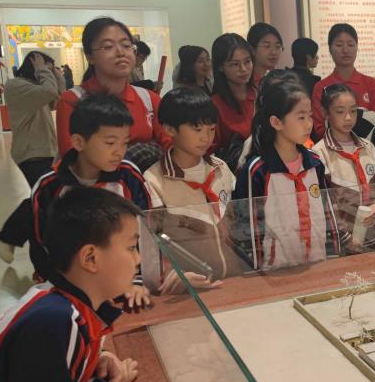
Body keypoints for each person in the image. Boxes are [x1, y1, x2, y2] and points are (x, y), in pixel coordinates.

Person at [0, 188, 141, 382]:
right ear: (90, 258)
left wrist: (96, 360)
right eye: (132, 248)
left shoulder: (56, 302)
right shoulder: (55, 320)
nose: (138, 259)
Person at [29, 95, 154, 310]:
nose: (119, 151)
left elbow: (146, 233)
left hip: (124, 284)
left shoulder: (130, 177)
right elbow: (44, 246)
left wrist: (135, 281)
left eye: (125, 143)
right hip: (71, 290)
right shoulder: (49, 186)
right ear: (78, 142)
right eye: (110, 143)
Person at [232, 71, 338, 270]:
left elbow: (327, 215)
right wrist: (257, 274)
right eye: (300, 117)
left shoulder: (315, 162)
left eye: (310, 116)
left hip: (317, 264)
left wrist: (333, 258)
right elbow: (248, 228)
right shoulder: (258, 170)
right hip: (275, 272)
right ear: (276, 122)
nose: (308, 124)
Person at [143, 87, 235, 286]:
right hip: (190, 286)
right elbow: (152, 244)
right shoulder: (154, 180)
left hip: (234, 279)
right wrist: (175, 277)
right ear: (170, 129)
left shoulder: (221, 168)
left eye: (211, 129)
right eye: (197, 129)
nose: (206, 138)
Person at [55, 17, 169, 166]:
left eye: (126, 45)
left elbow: (171, 147)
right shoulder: (72, 100)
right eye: (108, 47)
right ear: (89, 56)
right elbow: (73, 161)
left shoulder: (149, 99)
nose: (121, 52)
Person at [0, 51, 62, 264]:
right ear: (33, 65)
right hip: (32, 153)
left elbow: (57, 99)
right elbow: (49, 91)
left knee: (47, 199)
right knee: (43, 198)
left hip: (45, 150)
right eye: (45, 67)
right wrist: (43, 69)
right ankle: (6, 238)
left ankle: (21, 241)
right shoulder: (17, 86)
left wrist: (56, 73)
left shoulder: (34, 88)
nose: (48, 71)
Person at [312, 83, 375, 252]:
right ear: (326, 113)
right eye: (340, 112)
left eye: (353, 111)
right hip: (339, 243)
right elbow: (324, 204)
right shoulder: (319, 153)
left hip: (370, 235)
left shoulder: (368, 147)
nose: (348, 118)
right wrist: (345, 237)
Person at [311, 24, 375, 140]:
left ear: (357, 47)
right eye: (339, 45)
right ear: (330, 49)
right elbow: (319, 128)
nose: (345, 50)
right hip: (332, 149)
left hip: (368, 148)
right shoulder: (321, 87)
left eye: (350, 45)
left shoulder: (371, 84)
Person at [210, 33, 257, 168]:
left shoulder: (261, 94)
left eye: (247, 62)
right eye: (235, 64)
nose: (243, 69)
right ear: (220, 67)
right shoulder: (214, 105)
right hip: (234, 172)